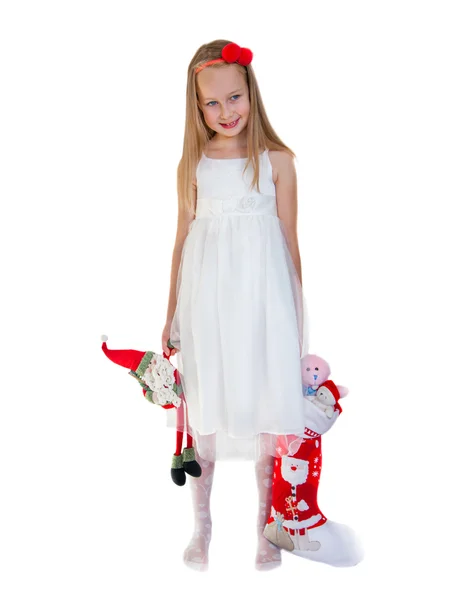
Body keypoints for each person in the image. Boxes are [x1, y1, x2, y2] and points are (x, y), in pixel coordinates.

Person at [161, 39, 310, 571]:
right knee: (205, 407)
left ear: (251, 93)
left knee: (266, 404)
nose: (226, 112)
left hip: (263, 304)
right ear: (197, 107)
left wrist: (297, 313)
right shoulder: (194, 164)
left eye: (234, 97)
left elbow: (290, 242)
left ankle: (265, 530)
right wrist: (171, 312)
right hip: (207, 304)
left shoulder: (277, 162)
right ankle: (201, 528)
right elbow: (182, 241)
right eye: (212, 104)